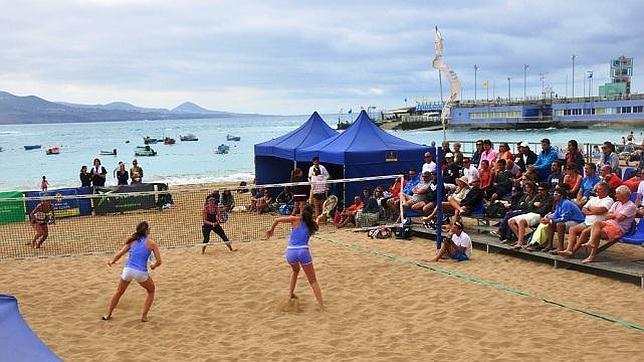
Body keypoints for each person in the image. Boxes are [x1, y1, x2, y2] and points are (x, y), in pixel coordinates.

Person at [265, 204, 324, 308]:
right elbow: (316, 225)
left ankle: (291, 294)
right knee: (313, 281)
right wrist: (318, 218)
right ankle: (321, 306)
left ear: (303, 212)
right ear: (312, 214)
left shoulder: (295, 219)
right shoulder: (312, 224)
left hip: (290, 252)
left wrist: (271, 230)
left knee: (295, 271)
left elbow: (277, 220)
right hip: (303, 251)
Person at [102, 221, 161, 322]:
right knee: (151, 291)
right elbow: (159, 261)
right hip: (140, 273)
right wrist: (154, 266)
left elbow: (120, 254)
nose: (150, 229)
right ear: (146, 231)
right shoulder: (152, 244)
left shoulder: (132, 241)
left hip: (127, 270)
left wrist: (112, 261)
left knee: (119, 292)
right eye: (149, 228)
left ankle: (108, 314)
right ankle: (144, 316)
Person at [581, 186, 637, 263]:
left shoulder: (631, 206)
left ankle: (591, 255)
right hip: (610, 223)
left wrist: (613, 215)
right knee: (596, 223)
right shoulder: (616, 203)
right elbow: (607, 216)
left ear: (623, 195)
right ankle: (590, 243)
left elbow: (620, 218)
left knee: (597, 232)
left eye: (617, 194)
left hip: (619, 228)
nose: (615, 195)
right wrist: (615, 215)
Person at [558, 182, 613, 258]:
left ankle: (573, 251)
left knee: (584, 232)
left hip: (596, 224)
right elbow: (584, 209)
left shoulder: (609, 200)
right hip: (586, 222)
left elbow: (602, 210)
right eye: (597, 189)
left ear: (605, 190)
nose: (597, 191)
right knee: (572, 229)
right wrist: (593, 211)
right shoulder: (594, 198)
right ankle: (569, 249)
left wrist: (590, 208)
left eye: (599, 189)